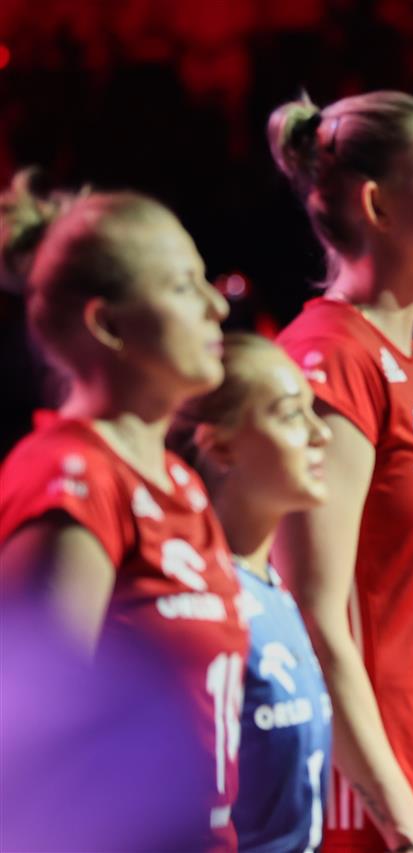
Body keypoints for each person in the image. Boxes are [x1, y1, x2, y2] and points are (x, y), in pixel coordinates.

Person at [266, 90, 413, 852]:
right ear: (376, 204)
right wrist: (406, 826)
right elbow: (312, 613)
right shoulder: (331, 358)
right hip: (385, 810)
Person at [0, 186, 246, 849]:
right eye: (183, 286)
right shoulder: (69, 478)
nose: (217, 305)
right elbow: (39, 755)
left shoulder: (178, 481)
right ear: (107, 325)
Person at [172, 333, 335, 852]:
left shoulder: (271, 587)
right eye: (290, 415)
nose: (320, 433)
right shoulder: (190, 605)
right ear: (221, 446)